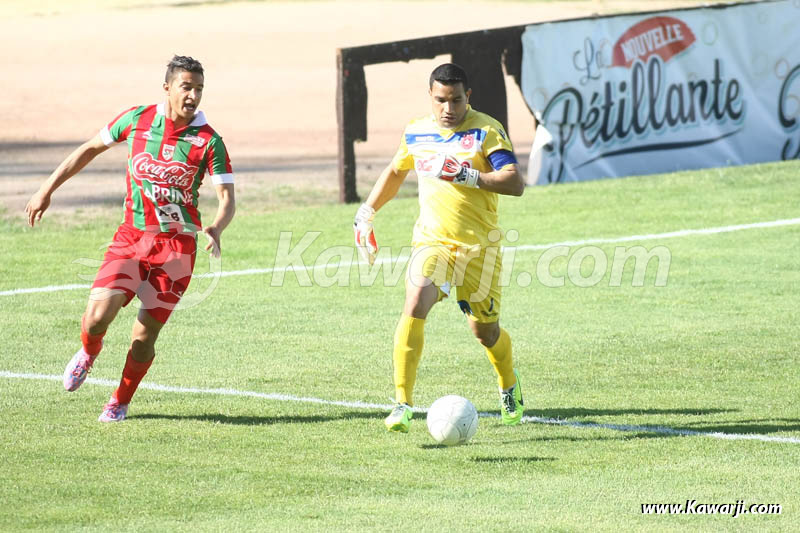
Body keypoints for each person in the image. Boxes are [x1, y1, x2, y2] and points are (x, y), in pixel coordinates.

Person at [25, 55, 236, 422]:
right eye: (186, 87)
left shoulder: (208, 142)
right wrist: (47, 188)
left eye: (199, 88)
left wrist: (216, 227)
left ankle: (120, 400)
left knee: (144, 335)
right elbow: (90, 148)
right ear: (167, 87)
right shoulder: (137, 120)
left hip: (177, 250)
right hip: (132, 237)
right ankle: (88, 353)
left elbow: (227, 199)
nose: (193, 96)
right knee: (96, 318)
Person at [354, 63, 526, 433]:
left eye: (456, 100)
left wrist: (472, 176)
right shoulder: (416, 132)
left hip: (480, 250)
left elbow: (515, 183)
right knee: (415, 302)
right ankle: (402, 403)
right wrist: (366, 212)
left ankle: (509, 384)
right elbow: (398, 170)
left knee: (486, 333)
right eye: (440, 100)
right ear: (430, 97)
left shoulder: (486, 130)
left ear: (469, 97)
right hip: (432, 241)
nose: (448, 108)